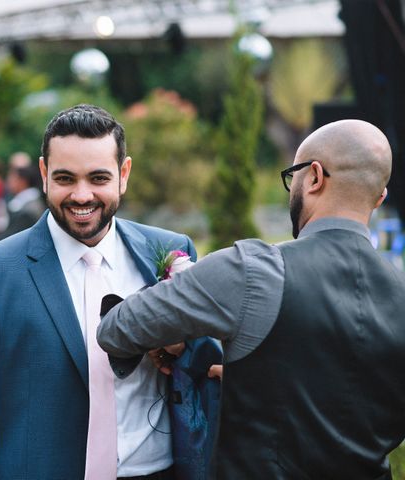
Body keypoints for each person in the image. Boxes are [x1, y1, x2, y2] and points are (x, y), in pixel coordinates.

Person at [98, 119, 405, 478]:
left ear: (315, 176)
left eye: (293, 177)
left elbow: (118, 328)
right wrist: (252, 375)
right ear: (379, 196)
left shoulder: (255, 270)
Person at [0, 104, 219, 479]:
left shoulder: (169, 254)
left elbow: (205, 366)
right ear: (43, 174)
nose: (81, 196)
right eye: (66, 178)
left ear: (124, 174)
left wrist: (183, 349)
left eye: (98, 178)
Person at [0, 164, 44, 241]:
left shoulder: (29, 207)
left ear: (23, 181)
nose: (8, 181)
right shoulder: (22, 203)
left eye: (13, 178)